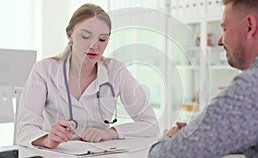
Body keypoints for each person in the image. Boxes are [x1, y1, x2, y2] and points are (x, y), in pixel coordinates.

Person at [149, 0, 258, 157]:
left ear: (249, 26)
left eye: (225, 29)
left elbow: (168, 156)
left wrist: (169, 139)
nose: (220, 40)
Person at [16, 3, 159, 149]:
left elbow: (150, 124)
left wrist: (109, 133)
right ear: (69, 35)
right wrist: (47, 139)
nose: (94, 46)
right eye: (85, 36)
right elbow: (24, 130)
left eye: (102, 39)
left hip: (98, 153)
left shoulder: (116, 71)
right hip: (56, 154)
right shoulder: (45, 70)